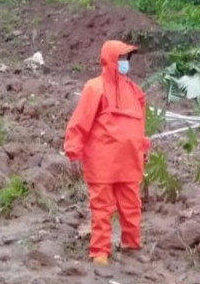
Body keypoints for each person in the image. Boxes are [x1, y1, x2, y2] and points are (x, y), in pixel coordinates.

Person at [64, 41, 151, 265]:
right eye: (121, 58)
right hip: (102, 163)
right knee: (102, 209)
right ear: (110, 59)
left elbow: (139, 125)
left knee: (132, 206)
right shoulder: (95, 88)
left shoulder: (135, 91)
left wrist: (143, 147)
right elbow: (80, 122)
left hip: (130, 162)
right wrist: (74, 151)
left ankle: (132, 245)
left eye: (127, 59)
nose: (125, 63)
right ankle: (100, 252)